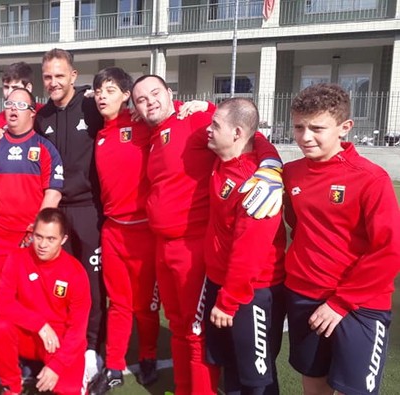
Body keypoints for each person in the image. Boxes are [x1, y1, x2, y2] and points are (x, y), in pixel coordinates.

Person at [131, 74, 283, 394]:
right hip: (163, 245)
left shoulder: (196, 119)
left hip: (193, 247)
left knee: (195, 332)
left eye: (155, 93)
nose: (150, 102)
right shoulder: (150, 130)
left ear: (170, 92)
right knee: (177, 326)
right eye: (141, 99)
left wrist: (271, 166)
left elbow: (246, 132)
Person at [283, 83, 400, 395]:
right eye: (298, 126)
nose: (305, 137)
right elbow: (298, 226)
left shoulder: (371, 178)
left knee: (356, 390)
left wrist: (340, 303)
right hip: (303, 294)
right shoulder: (291, 173)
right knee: (313, 379)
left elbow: (388, 251)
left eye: (317, 128)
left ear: (344, 128)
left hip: (359, 304)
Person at [0, 87, 64, 377]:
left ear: (32, 112)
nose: (12, 109)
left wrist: (35, 231)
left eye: (20, 105)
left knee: (31, 297)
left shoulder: (45, 149)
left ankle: (31, 355)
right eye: (9, 104)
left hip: (30, 239)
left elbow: (53, 194)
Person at [203, 98, 286, 394]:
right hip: (219, 283)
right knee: (231, 368)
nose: (208, 130)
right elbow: (257, 134)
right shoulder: (226, 157)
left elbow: (250, 251)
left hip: (250, 293)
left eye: (215, 125)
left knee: (257, 379)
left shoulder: (258, 184)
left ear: (237, 133)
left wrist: (229, 300)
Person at [34, 48, 106, 385]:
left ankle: (92, 350)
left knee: (90, 282)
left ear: (73, 76)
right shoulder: (41, 115)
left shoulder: (93, 107)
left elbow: (137, 113)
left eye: (59, 75)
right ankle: (60, 346)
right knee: (56, 281)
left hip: (88, 209)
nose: (53, 82)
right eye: (48, 76)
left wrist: (192, 107)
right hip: (54, 210)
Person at [88, 67, 159, 394]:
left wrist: (202, 107)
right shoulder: (100, 131)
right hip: (113, 232)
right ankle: (114, 365)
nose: (102, 95)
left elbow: (185, 121)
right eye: (99, 90)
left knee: (145, 306)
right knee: (118, 303)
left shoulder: (144, 125)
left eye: (111, 89)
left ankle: (147, 357)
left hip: (145, 233)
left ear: (127, 95)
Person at [0, 208, 91, 395]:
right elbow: (1, 302)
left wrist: (57, 366)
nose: (42, 244)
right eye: (39, 236)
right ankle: (11, 387)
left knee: (69, 391)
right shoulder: (17, 258)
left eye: (51, 239)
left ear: (63, 240)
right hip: (29, 333)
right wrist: (39, 324)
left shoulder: (75, 273)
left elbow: (77, 330)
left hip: (59, 340)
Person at [0, 62, 42, 131]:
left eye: (15, 87)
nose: (9, 92)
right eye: (6, 87)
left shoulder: (43, 113)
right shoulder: (1, 118)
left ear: (28, 88)